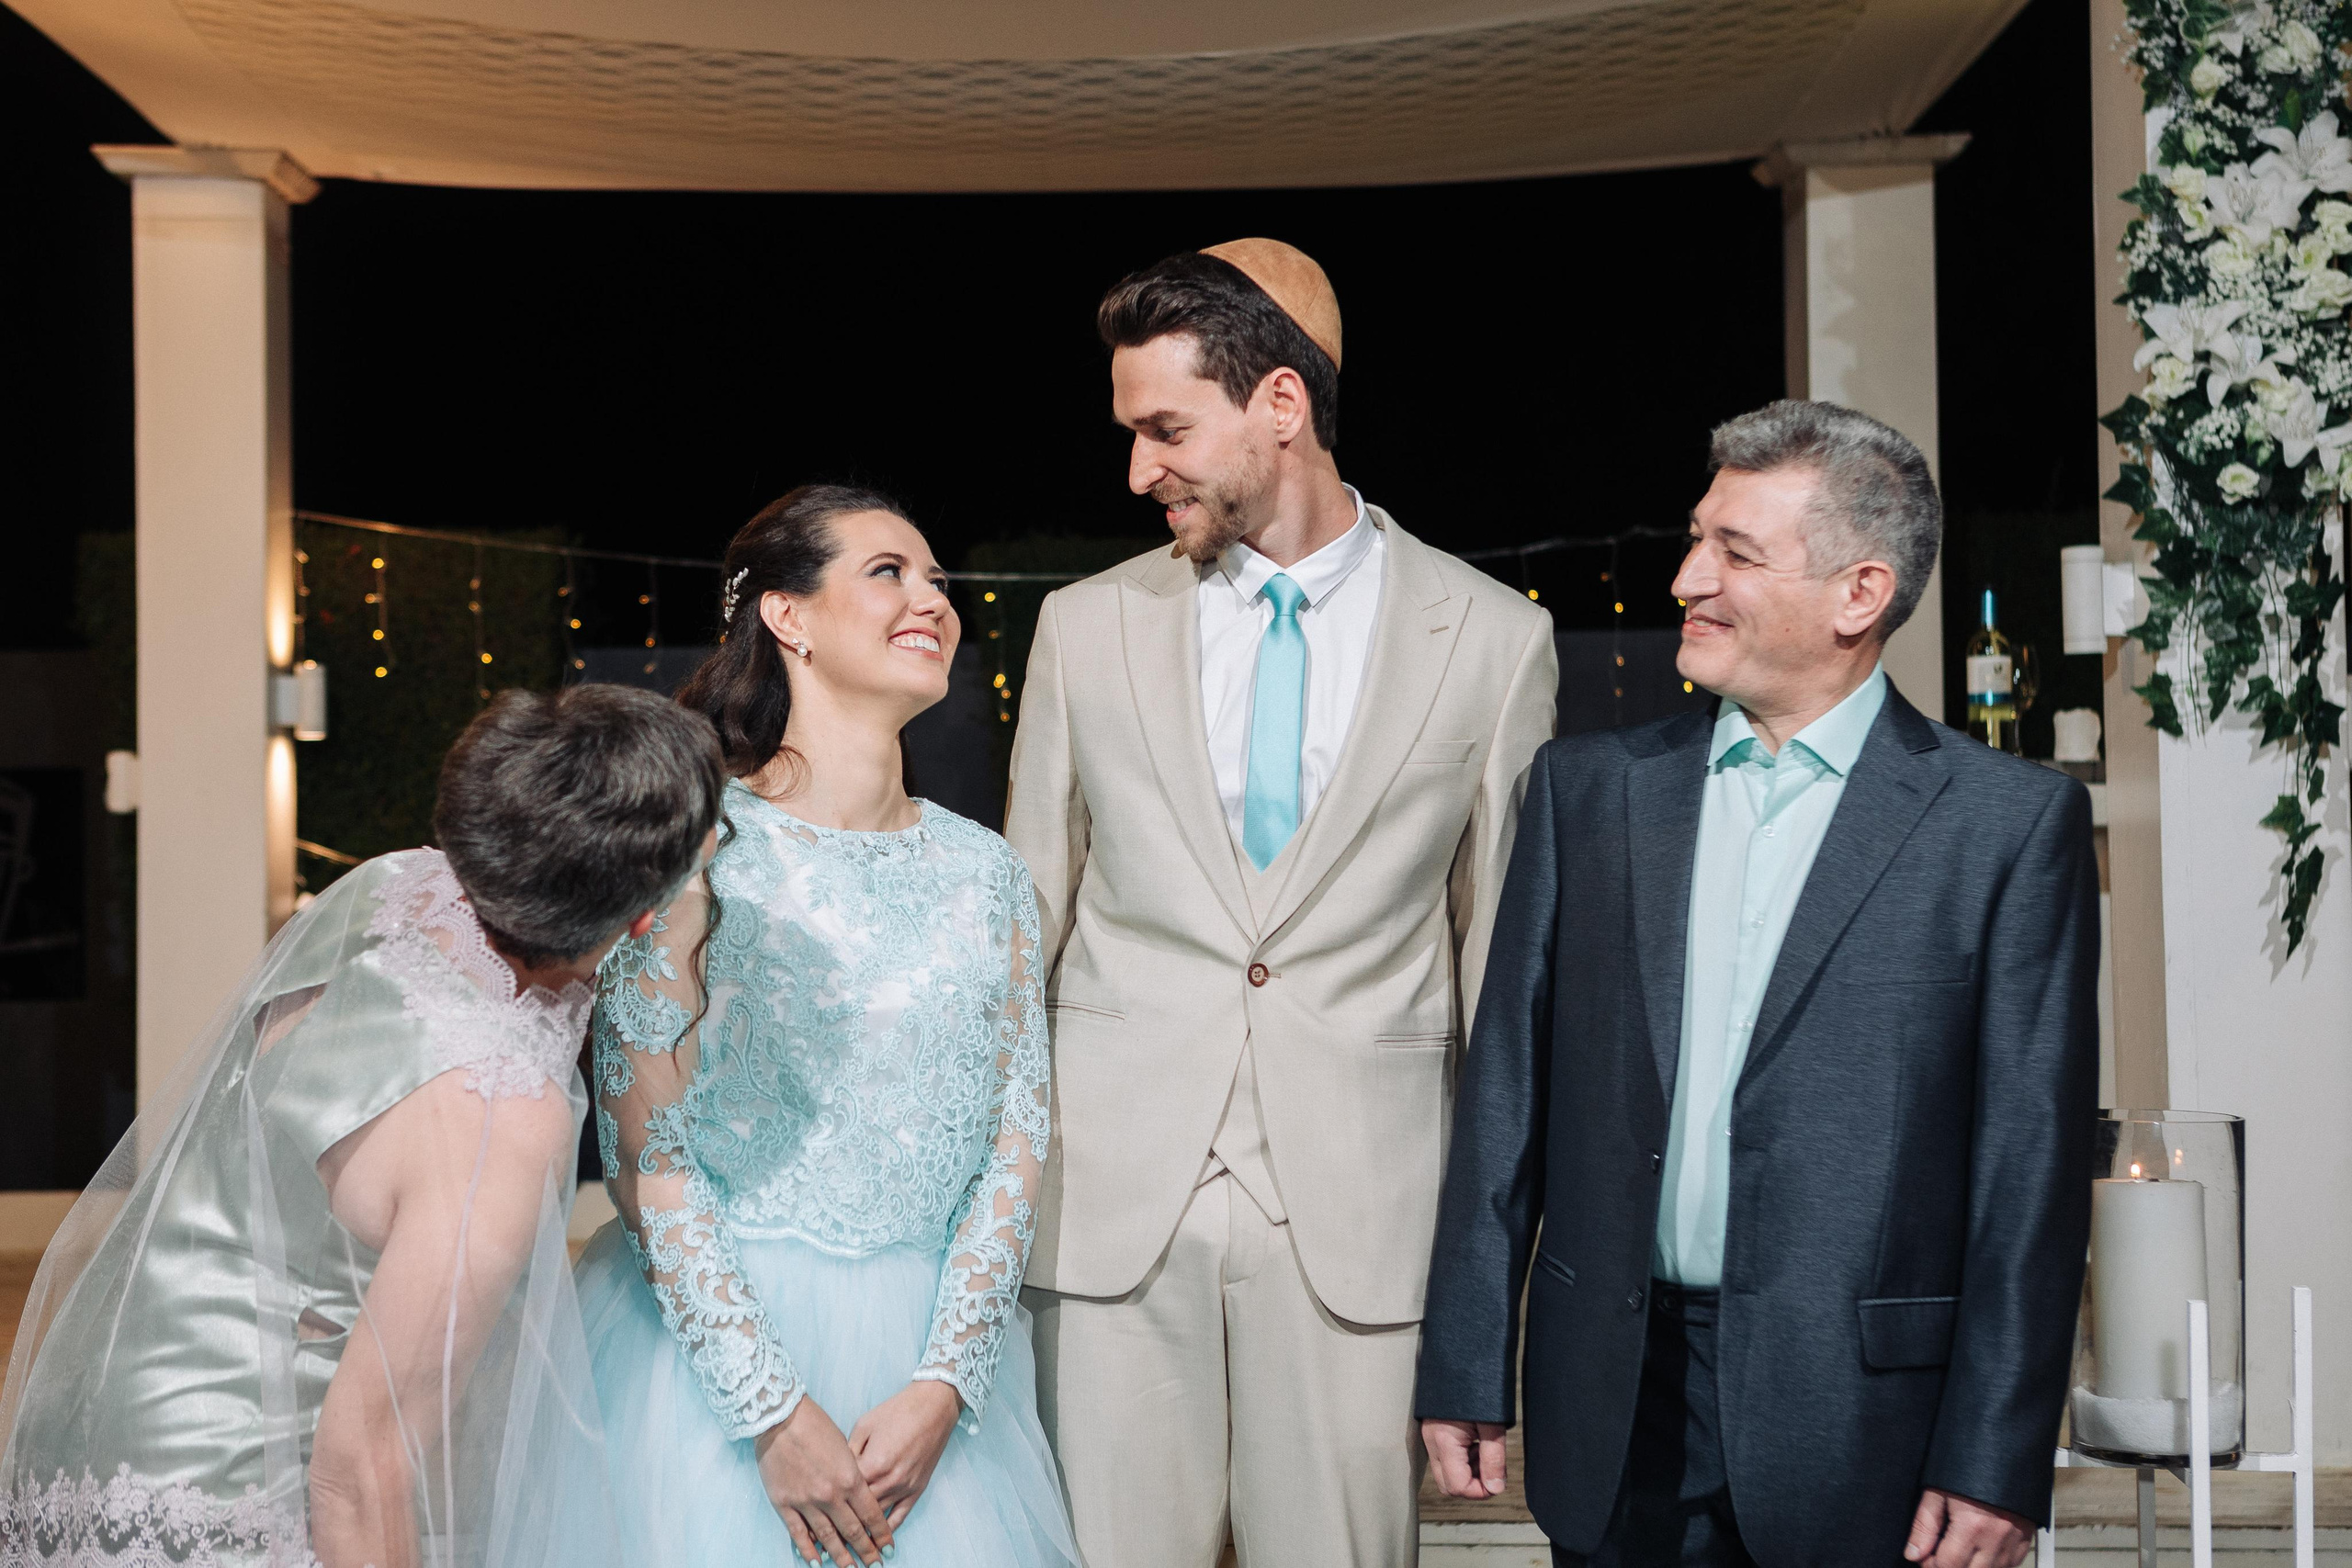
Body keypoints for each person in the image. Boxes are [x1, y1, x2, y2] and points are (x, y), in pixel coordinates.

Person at [1415, 400, 2099, 1568]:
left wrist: (1994, 1455)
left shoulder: (2005, 827)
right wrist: (1467, 1360)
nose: (1687, 578)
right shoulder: (1588, 793)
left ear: (1858, 594)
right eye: (1697, 540)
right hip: (1613, 1408)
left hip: (1867, 1429)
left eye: (1734, 552)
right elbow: (1505, 1101)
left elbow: (2026, 1176)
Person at [1004, 240, 1558, 1568]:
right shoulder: (1085, 626)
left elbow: (1504, 981)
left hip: (1363, 1233)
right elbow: (1020, 936)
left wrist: (1488, 1294)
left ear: (1282, 407)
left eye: (1166, 429)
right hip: (1107, 1222)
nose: (1139, 470)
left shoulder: (1493, 639)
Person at [0, 682, 724, 1568]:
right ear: (642, 917)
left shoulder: (389, 887)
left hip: (110, 1411)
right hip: (229, 1483)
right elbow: (358, 1471)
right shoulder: (498, 1113)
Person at [576, 485, 1077, 1568]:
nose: (931, 600)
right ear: (787, 616)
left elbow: (1016, 1142)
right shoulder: (698, 848)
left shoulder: (987, 872)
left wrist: (948, 1382)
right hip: (712, 1376)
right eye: (887, 572)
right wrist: (767, 1410)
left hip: (933, 1392)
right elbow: (646, 1154)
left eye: (937, 580)